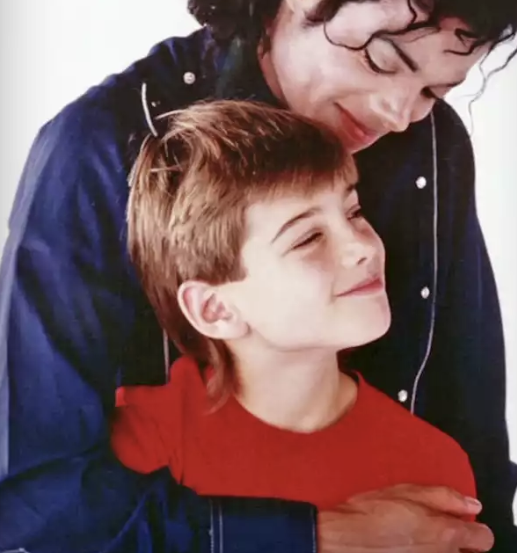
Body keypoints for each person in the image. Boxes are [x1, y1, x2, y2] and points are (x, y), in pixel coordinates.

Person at [0, 0, 517, 552]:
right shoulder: (100, 148)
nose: (397, 114)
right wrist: (314, 536)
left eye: (434, 90)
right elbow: (36, 497)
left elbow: (468, 425)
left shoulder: (429, 142)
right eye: (384, 60)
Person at [111, 99, 481, 520]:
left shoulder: (432, 467)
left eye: (354, 212)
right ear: (215, 309)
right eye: (308, 238)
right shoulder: (139, 447)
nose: (362, 246)